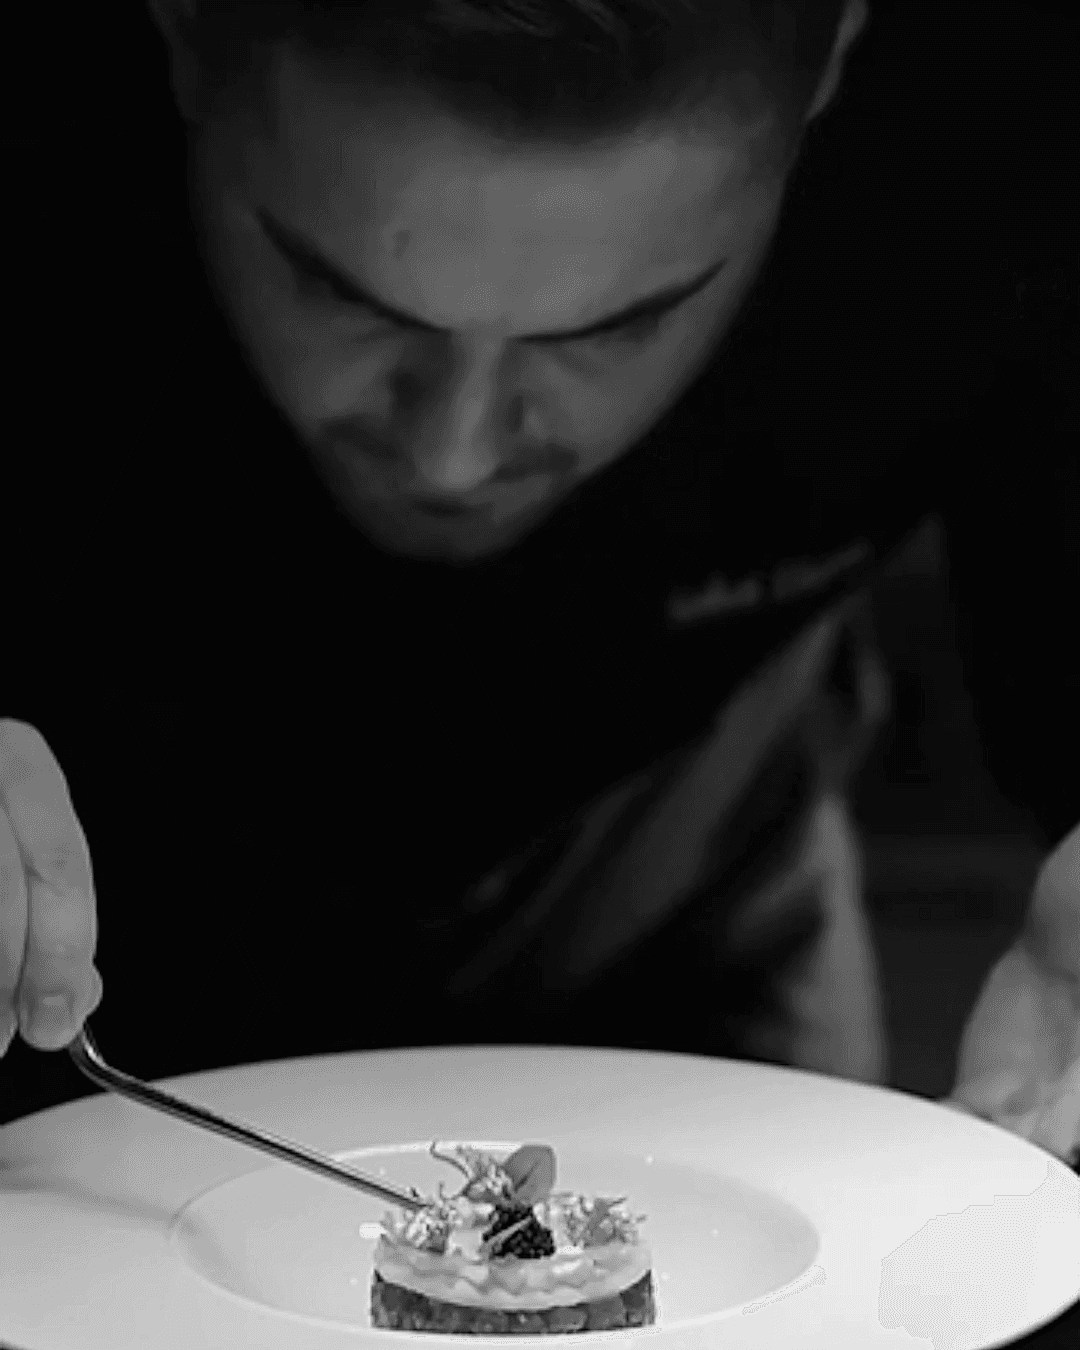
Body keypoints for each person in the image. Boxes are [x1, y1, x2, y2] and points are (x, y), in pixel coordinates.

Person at [2, 1, 1076, 1163]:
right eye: (337, 291)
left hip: (669, 874)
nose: (452, 456)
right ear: (179, 31)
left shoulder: (1021, 131)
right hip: (71, 940)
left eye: (616, 328)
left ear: (835, 68)